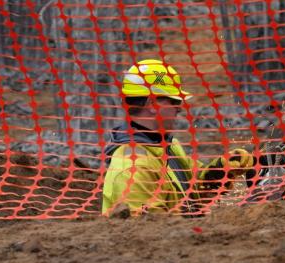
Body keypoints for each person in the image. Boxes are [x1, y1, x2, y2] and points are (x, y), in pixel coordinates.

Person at [102, 59, 254, 216]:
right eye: (174, 101)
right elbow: (152, 232)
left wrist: (220, 170)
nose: (178, 109)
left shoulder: (166, 145)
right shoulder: (132, 170)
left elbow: (192, 190)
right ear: (153, 104)